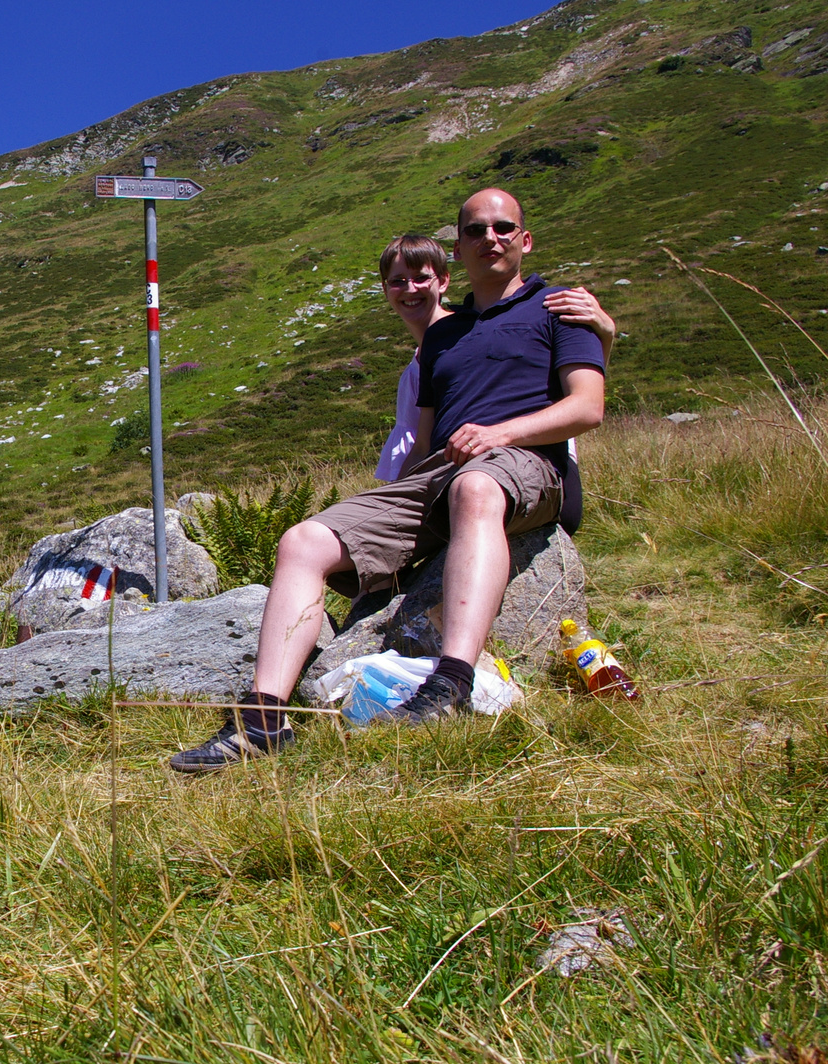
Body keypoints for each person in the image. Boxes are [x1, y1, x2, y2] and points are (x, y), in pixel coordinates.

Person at [170, 188, 608, 773]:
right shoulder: (441, 340)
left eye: (504, 228)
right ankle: (262, 720)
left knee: (474, 487)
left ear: (524, 240)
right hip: (441, 475)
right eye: (476, 230)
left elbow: (587, 407)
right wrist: (386, 516)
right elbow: (424, 445)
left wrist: (502, 433)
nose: (491, 239)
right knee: (304, 541)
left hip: (527, 463)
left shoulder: (558, 308)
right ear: (460, 248)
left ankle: (449, 685)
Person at [374, 237, 616, 538]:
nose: (410, 289)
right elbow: (420, 445)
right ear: (384, 288)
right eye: (398, 281)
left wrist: (605, 336)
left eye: (422, 278)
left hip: (520, 470)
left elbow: (571, 392)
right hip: (447, 476)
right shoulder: (427, 355)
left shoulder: (478, 334)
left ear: (443, 280)